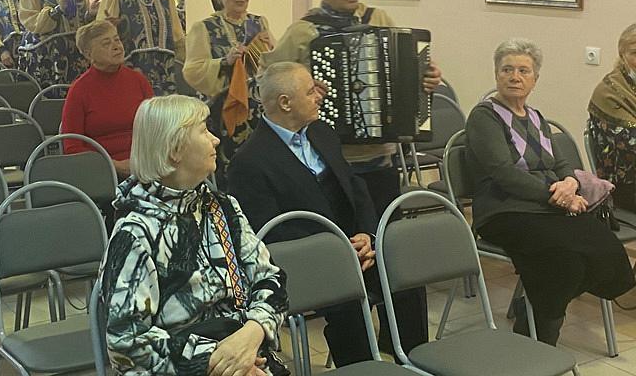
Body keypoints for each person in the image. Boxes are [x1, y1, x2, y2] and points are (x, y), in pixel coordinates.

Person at [228, 62, 428, 366]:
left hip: (353, 247)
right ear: (285, 103)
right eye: (310, 91)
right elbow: (269, 232)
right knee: (348, 304)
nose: (319, 96)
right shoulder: (248, 162)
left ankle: (414, 362)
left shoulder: (322, 132)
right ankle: (362, 370)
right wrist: (337, 251)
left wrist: (367, 235)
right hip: (309, 259)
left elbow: (355, 187)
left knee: (407, 277)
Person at [100, 95, 289, 376]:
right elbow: (126, 342)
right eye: (203, 131)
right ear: (175, 149)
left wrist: (252, 333)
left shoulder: (223, 208)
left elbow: (270, 278)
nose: (216, 140)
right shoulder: (135, 233)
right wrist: (219, 360)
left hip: (246, 352)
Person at [466, 38, 634, 345]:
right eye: (507, 69)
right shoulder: (484, 116)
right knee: (563, 262)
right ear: (496, 73)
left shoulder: (536, 117)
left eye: (523, 71)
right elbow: (504, 173)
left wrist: (570, 183)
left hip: (548, 206)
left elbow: (560, 163)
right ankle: (537, 339)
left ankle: (532, 305)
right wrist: (558, 196)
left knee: (605, 249)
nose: (514, 77)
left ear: (535, 78)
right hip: (504, 210)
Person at [263, 0, 441, 219]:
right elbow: (267, 81)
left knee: (384, 230)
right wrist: (305, 90)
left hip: (380, 158)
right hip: (328, 160)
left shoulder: (378, 20)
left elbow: (405, 73)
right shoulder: (304, 31)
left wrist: (425, 79)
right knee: (346, 232)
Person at [183, 0, 274, 185]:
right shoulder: (204, 28)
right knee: (228, 168)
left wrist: (269, 49)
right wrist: (225, 62)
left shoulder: (259, 23)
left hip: (259, 109)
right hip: (221, 111)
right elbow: (192, 70)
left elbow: (273, 63)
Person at [61, 21, 153, 177]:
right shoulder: (79, 90)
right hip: (101, 171)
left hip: (146, 164)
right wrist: (113, 165)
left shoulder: (138, 80)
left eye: (117, 39)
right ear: (89, 54)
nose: (117, 46)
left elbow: (158, 128)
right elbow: (72, 146)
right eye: (106, 43)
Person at [100, 0, 185, 96]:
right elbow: (100, 35)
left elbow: (178, 37)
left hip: (165, 71)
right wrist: (113, 27)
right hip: (131, 70)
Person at [588, 24, 636, 212]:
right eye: (635, 53)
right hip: (624, 184)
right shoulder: (609, 92)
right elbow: (630, 143)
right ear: (622, 55)